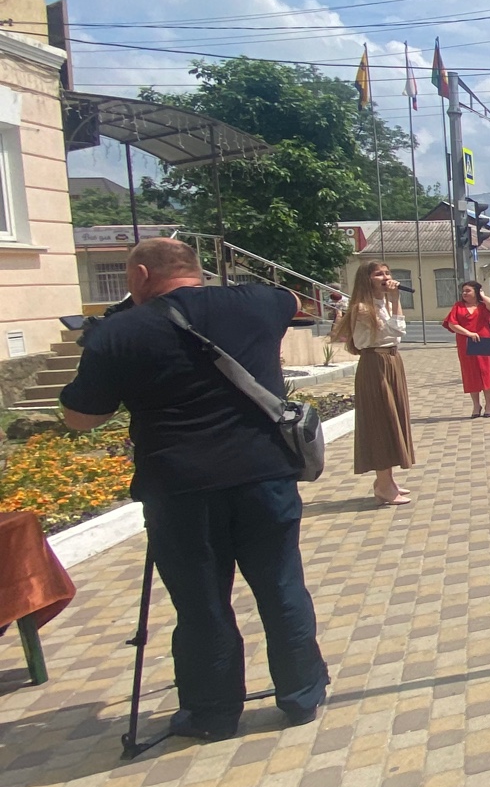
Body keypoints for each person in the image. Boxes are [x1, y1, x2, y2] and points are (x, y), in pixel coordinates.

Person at [60, 236, 329, 741]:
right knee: (282, 586)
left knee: (203, 603)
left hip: (180, 489)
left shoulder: (120, 333)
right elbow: (294, 300)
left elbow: (81, 418)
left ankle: (211, 713)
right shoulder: (256, 302)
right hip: (265, 477)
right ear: (199, 269)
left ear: (139, 275)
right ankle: (302, 694)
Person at [335, 261, 417, 506]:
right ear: (366, 279)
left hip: (391, 361)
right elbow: (393, 332)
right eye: (378, 274)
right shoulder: (362, 308)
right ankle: (383, 484)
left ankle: (387, 481)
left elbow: (396, 333)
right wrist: (395, 300)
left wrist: (392, 300)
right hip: (376, 364)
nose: (385, 276)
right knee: (382, 420)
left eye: (387, 272)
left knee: (394, 418)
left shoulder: (381, 304)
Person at [442, 279, 490, 418]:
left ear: (476, 292)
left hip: (484, 342)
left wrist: (482, 296)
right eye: (463, 291)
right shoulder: (458, 306)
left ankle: (488, 405)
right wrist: (468, 333)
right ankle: (476, 405)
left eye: (468, 290)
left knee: (487, 372)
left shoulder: (483, 306)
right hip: (466, 343)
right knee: (471, 374)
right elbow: (452, 324)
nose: (464, 293)